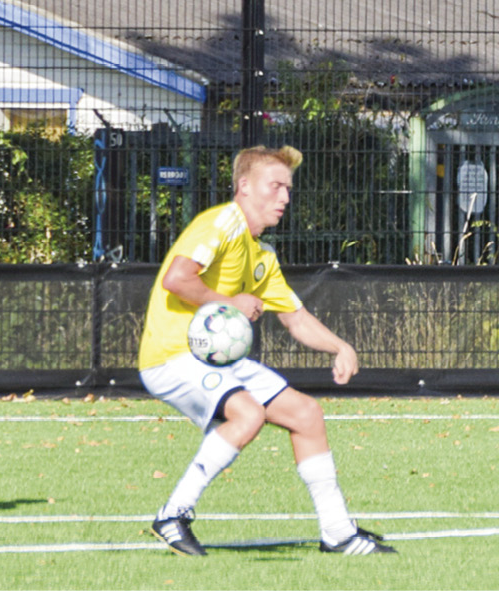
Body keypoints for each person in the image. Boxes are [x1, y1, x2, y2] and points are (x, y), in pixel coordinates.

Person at [137, 144, 396, 557]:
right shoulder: (222, 222)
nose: (285, 198)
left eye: (289, 189)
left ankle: (338, 533)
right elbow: (176, 278)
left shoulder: (262, 255)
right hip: (170, 356)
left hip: (216, 362)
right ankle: (173, 514)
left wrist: (339, 346)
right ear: (244, 186)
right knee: (248, 412)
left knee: (307, 414)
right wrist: (228, 302)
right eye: (275, 186)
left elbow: (295, 317)